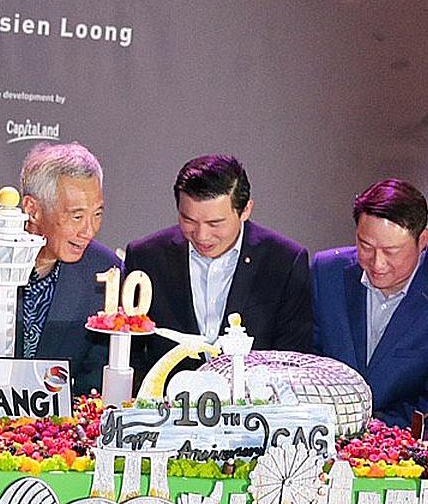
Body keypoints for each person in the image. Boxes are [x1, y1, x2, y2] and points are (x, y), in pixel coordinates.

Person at [0, 142, 119, 395]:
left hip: (66, 417)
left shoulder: (104, 271)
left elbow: (93, 380)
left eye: (97, 214)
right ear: (32, 209)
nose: (89, 231)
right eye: (77, 216)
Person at [310, 179, 428, 427]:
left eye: (391, 251)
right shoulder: (326, 272)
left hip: (398, 441)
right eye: (365, 246)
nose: (377, 263)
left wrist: (370, 429)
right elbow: (306, 359)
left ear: (422, 240)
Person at [124, 155, 311, 377]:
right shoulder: (147, 258)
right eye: (189, 220)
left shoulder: (284, 262)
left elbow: (291, 360)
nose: (202, 235)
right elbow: (130, 354)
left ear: (245, 210)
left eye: (215, 223)